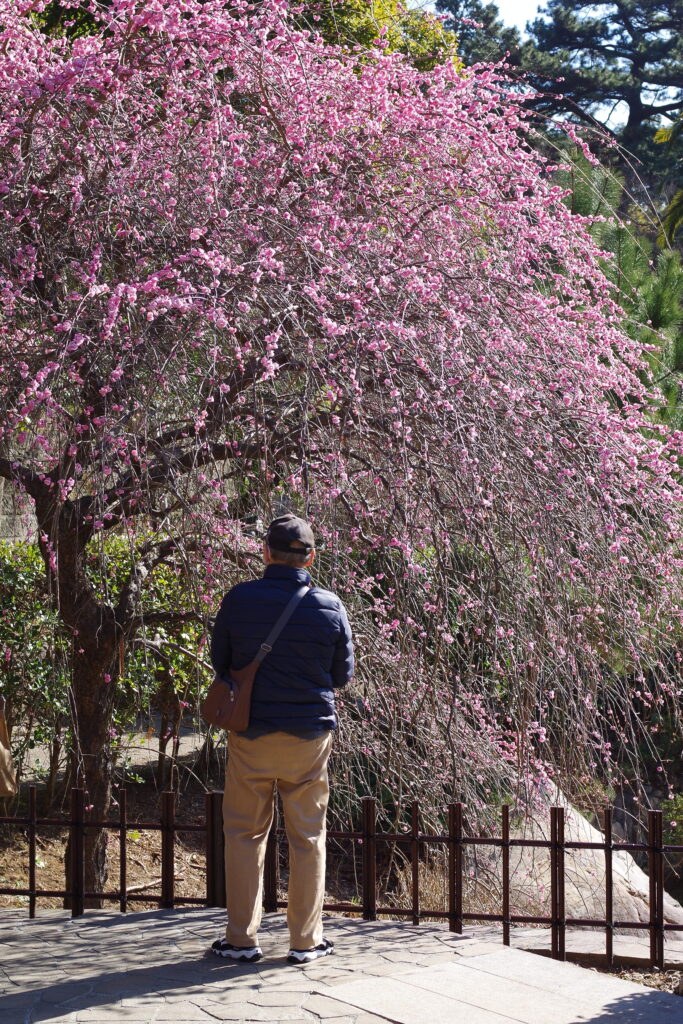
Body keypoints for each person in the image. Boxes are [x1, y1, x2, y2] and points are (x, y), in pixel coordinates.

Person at [209, 514, 354, 965]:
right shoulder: (329, 605)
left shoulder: (239, 599)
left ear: (266, 552)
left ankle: (240, 939)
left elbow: (221, 662)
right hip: (308, 738)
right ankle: (305, 941)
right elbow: (341, 675)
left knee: (244, 834)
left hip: (251, 733)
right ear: (310, 556)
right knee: (308, 837)